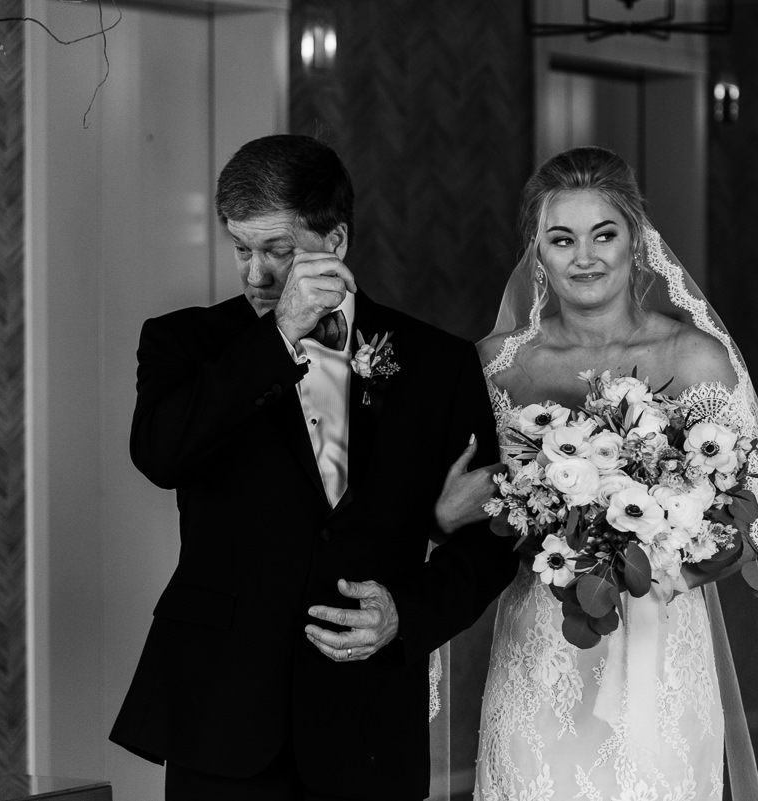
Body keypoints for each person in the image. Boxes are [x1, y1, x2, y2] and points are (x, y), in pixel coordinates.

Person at [108, 134, 517, 801]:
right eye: (242, 248)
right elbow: (160, 454)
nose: (255, 275)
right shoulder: (186, 344)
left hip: (370, 719)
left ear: (337, 243)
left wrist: (404, 613)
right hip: (223, 712)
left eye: (278, 250)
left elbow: (493, 537)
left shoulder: (437, 363)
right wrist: (278, 336)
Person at [437, 146, 758, 800]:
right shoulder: (494, 367)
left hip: (663, 655)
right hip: (541, 651)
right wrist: (452, 514)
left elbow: (749, 531)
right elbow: (455, 509)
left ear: (635, 240)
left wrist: (672, 537)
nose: (584, 256)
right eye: (562, 238)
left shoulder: (695, 357)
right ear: (537, 250)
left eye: (603, 234)